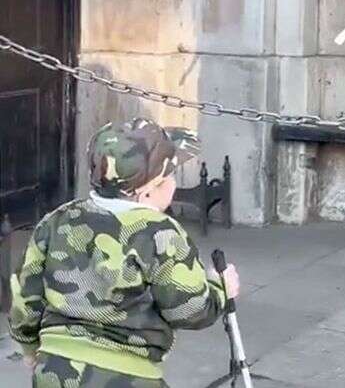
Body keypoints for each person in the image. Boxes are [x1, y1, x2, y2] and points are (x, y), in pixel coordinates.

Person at [7, 118, 240, 387]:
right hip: (126, 375)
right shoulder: (160, 233)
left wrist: (28, 347)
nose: (173, 182)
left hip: (56, 368)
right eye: (170, 176)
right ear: (148, 192)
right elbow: (187, 309)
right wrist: (219, 289)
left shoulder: (57, 219)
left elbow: (24, 296)